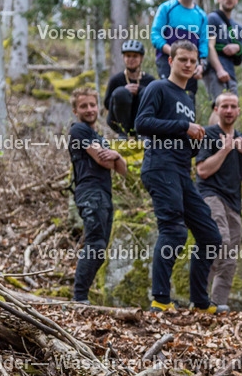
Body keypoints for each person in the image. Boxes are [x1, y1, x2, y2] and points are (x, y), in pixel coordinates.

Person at [135, 40, 222, 313]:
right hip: (159, 167)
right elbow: (143, 124)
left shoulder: (188, 98)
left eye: (192, 61)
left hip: (182, 172)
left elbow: (182, 136)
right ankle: (160, 300)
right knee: (173, 230)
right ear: (171, 61)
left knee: (210, 236)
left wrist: (195, 138)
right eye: (182, 59)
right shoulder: (158, 87)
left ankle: (199, 301)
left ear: (197, 65)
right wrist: (185, 126)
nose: (187, 65)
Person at [195, 92, 242, 311]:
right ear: (216, 109)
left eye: (233, 106)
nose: (229, 110)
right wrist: (226, 148)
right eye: (225, 106)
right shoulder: (208, 134)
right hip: (210, 195)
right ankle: (199, 298)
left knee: (230, 258)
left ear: (238, 111)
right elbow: (202, 171)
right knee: (220, 240)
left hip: (234, 202)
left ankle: (217, 304)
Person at [68, 87, 128, 304]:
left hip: (104, 194)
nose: (90, 109)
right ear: (75, 111)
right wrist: (114, 157)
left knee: (100, 247)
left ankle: (82, 296)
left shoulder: (97, 136)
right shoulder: (79, 131)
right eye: (84, 106)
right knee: (95, 244)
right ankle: (79, 297)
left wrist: (117, 154)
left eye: (92, 104)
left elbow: (123, 169)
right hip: (90, 192)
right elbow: (104, 161)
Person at [150, 0, 208, 106]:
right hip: (167, 60)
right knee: (168, 95)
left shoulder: (201, 15)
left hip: (191, 63)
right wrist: (172, 52)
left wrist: (202, 64)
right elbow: (155, 35)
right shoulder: (166, 8)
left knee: (188, 97)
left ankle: (187, 123)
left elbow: (203, 42)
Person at [104, 41, 156, 138]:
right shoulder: (116, 79)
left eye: (135, 56)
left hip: (143, 121)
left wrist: (140, 90)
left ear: (141, 58)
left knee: (147, 92)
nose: (131, 59)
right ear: (123, 57)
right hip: (118, 121)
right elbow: (107, 104)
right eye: (128, 56)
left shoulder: (149, 80)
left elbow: (157, 103)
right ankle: (123, 133)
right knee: (120, 92)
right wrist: (123, 93)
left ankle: (142, 132)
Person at [204, 0, 242, 115]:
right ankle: (212, 134)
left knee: (232, 110)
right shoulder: (212, 18)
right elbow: (209, 46)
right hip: (214, 70)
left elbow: (240, 58)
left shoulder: (238, 28)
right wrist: (219, 70)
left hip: (231, 73)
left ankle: (226, 134)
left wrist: (237, 48)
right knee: (219, 107)